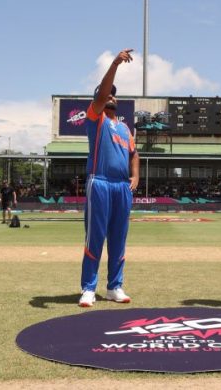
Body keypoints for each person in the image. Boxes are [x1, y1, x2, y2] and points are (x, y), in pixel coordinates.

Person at [78, 48, 140, 307]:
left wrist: (135, 176)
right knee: (96, 237)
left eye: (114, 93)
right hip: (99, 182)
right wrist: (115, 63)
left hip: (121, 187)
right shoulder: (96, 118)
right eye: (107, 93)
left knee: (118, 237)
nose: (111, 95)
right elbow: (103, 93)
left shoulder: (125, 127)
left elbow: (134, 153)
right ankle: (89, 288)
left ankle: (115, 286)